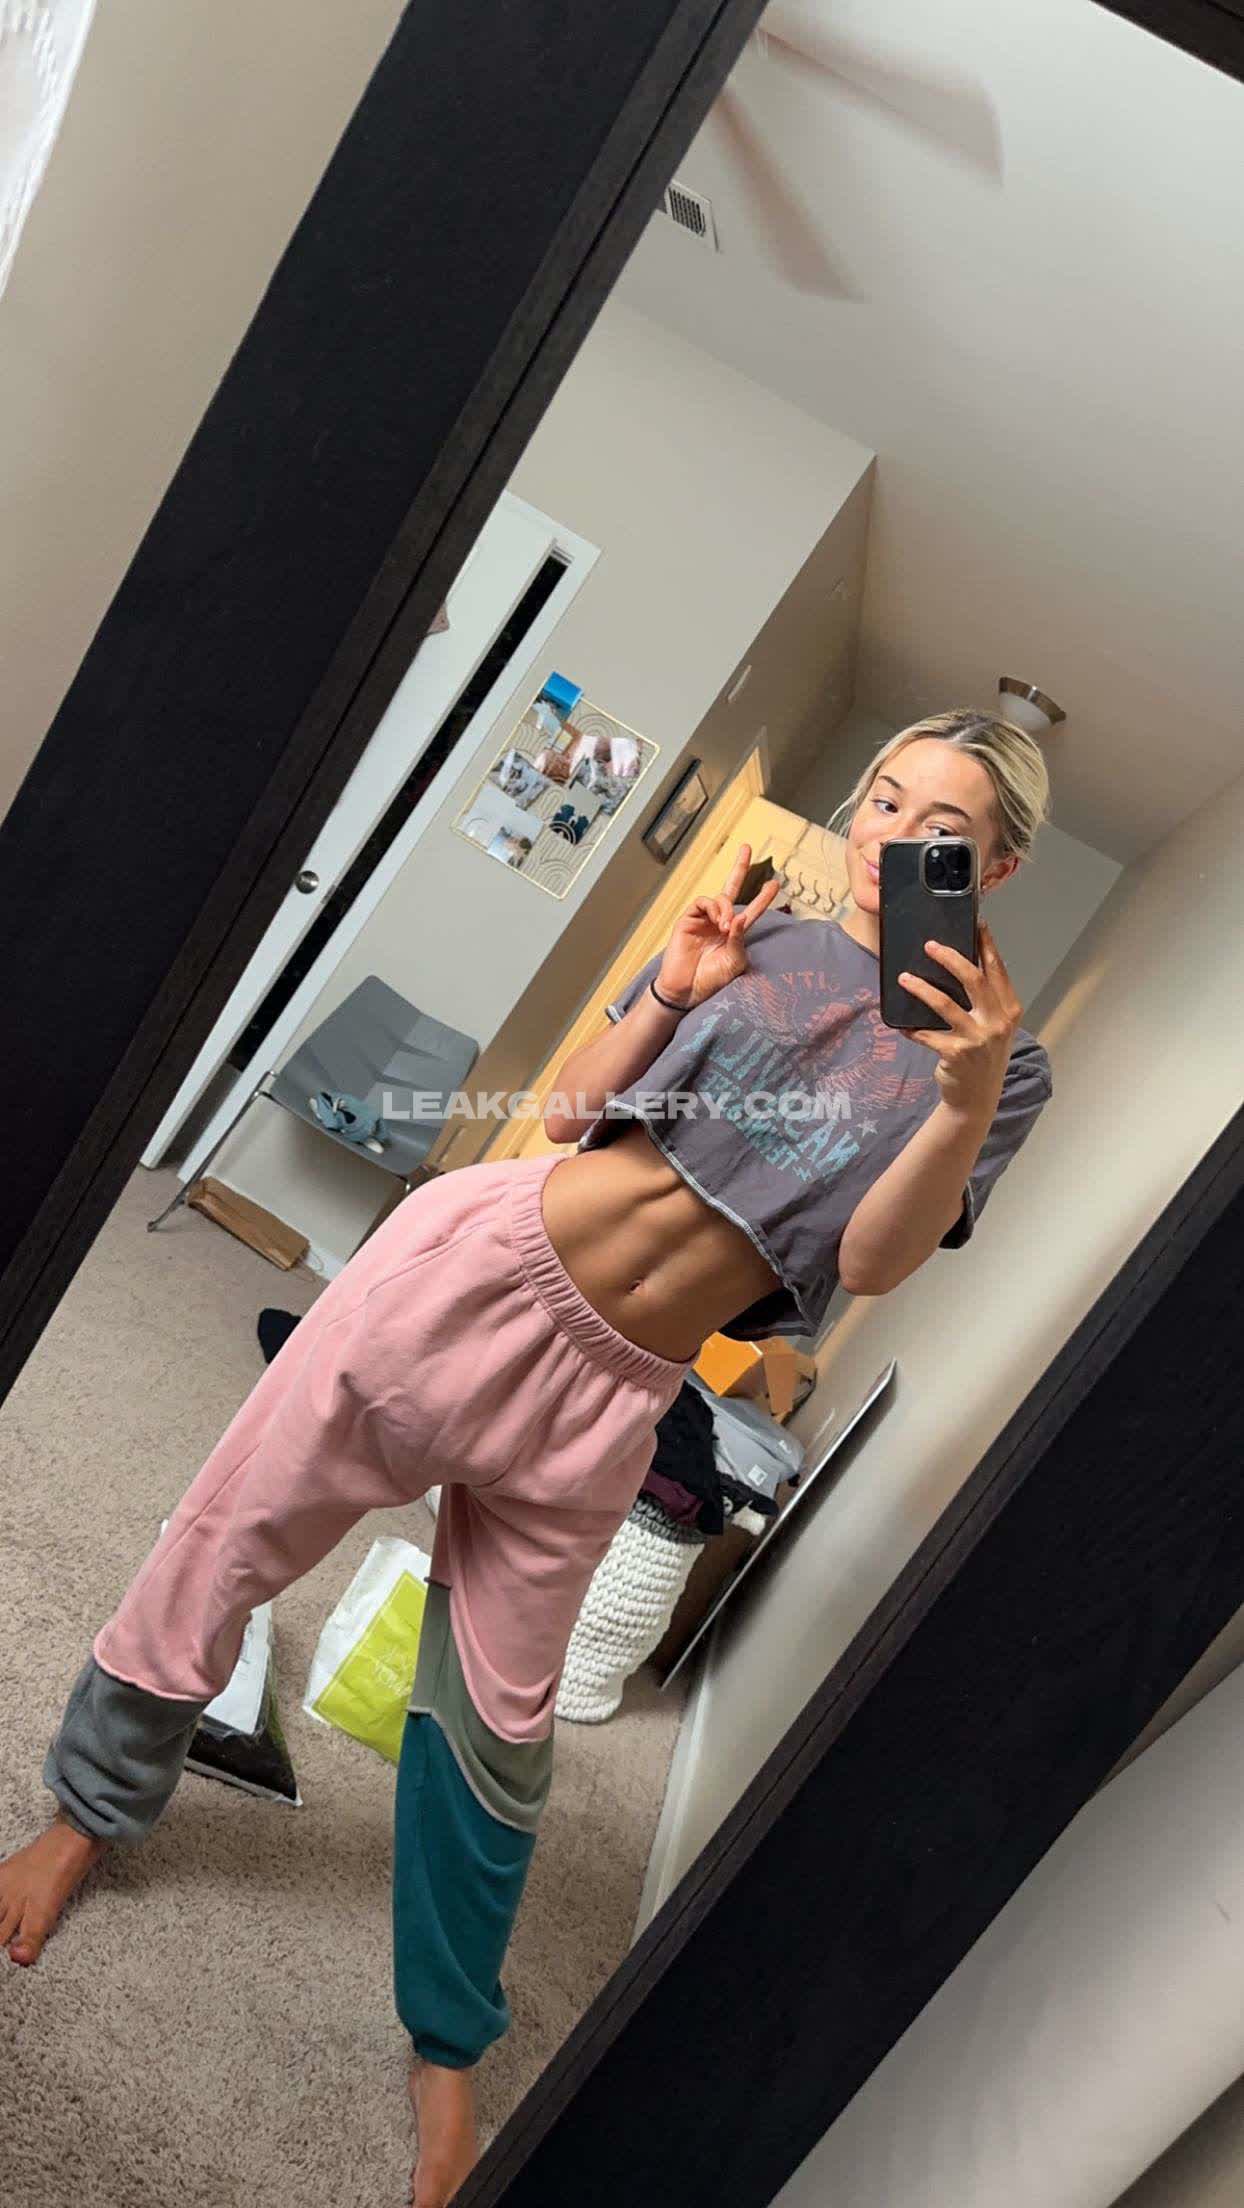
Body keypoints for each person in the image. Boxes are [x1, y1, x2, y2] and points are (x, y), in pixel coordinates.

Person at [0, 709, 1053, 2207]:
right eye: (880, 799)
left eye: (937, 828)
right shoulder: (764, 934)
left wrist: (962, 1093)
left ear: (992, 869)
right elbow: (567, 1113)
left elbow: (873, 1260)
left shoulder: (1004, 1075)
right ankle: (87, 1816)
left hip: (614, 1396)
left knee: (501, 1720)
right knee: (236, 1534)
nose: (890, 838)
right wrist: (675, 986)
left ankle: (448, 2042)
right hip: (479, 1276)